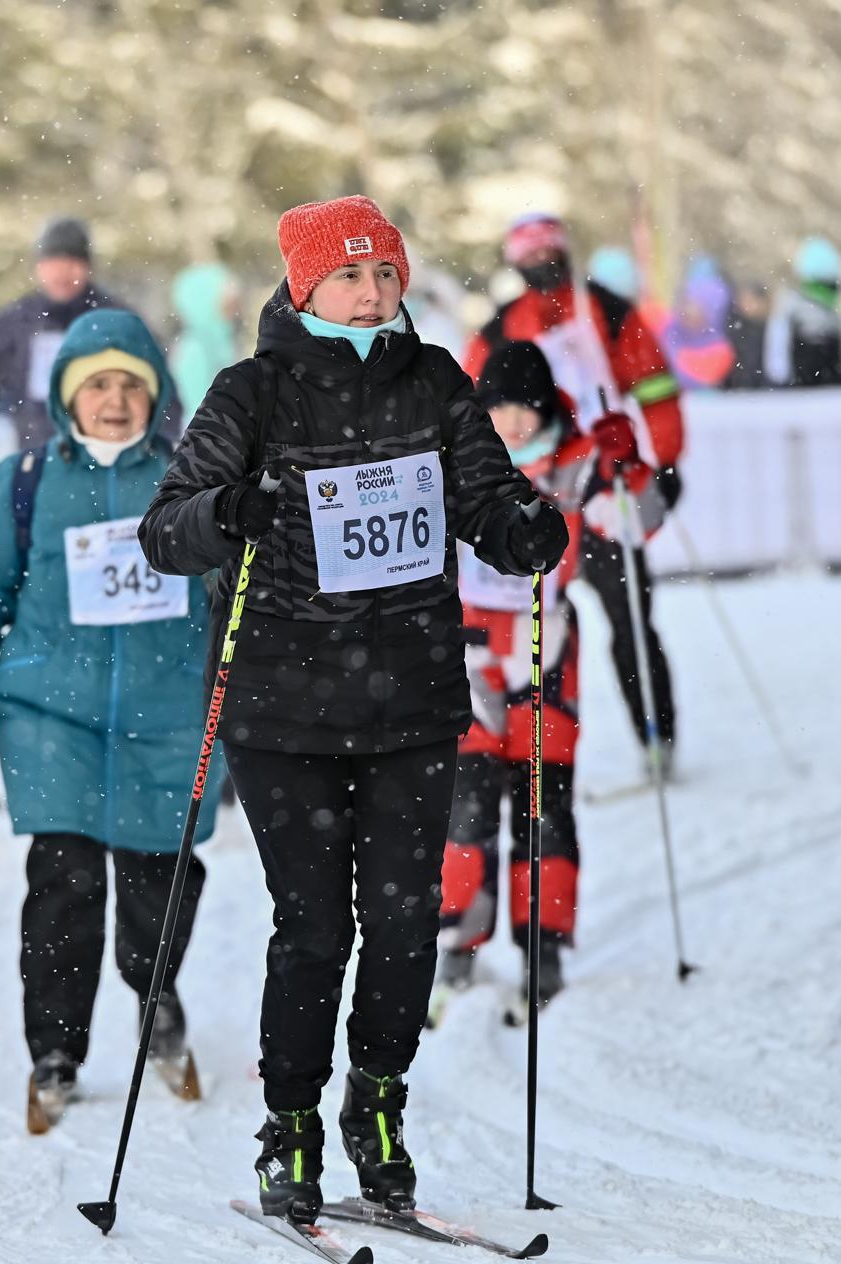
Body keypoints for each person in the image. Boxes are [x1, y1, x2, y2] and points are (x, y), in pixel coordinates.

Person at [140, 196, 568, 1224]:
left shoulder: (431, 379)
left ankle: (376, 1105)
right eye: (350, 275)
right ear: (303, 287)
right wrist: (226, 512)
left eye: (385, 273)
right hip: (281, 706)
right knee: (315, 925)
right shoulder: (252, 392)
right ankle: (289, 1122)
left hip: (411, 697)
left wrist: (520, 528)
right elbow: (166, 531)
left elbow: (482, 491)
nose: (373, 292)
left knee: (407, 919)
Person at [0, 308, 216, 1133]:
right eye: (98, 385)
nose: (116, 400)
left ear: (155, 393)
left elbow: (238, 595)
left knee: (161, 883)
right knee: (65, 877)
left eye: (132, 384)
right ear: (67, 397)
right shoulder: (24, 482)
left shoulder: (196, 479)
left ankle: (154, 992)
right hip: (51, 710)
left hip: (172, 714)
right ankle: (55, 1046)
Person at [466, 213, 682, 771]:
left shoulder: (605, 310)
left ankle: (656, 734)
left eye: (549, 256)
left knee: (629, 618)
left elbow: (654, 382)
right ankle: (525, 751)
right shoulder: (502, 327)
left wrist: (661, 459)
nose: (541, 269)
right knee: (532, 623)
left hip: (602, 474)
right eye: (529, 260)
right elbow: (469, 401)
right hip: (535, 491)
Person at [435, 342, 605, 1014]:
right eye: (499, 408)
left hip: (546, 647)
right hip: (472, 653)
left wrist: (630, 466)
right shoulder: (459, 461)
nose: (513, 423)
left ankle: (545, 940)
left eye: (525, 409)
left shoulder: (575, 463)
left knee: (543, 802)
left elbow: (637, 522)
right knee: (467, 806)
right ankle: (460, 937)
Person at [0, 216, 130, 448]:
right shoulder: (16, 323)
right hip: (37, 452)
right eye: (53, 264)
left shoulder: (116, 320)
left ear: (87, 268)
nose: (62, 274)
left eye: (71, 264)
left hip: (106, 454)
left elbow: (153, 385)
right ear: (38, 268)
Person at [765, 236, 841, 388]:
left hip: (818, 379)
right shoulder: (793, 304)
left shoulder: (796, 303)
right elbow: (779, 342)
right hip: (804, 380)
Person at [169, 262, 241, 412]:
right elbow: (194, 409)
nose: (234, 309)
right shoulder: (194, 348)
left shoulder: (222, 342)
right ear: (204, 303)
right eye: (226, 302)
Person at [663, 267, 736, 391]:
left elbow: (701, 380)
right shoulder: (664, 335)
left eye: (694, 304)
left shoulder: (721, 349)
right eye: (684, 302)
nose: (685, 310)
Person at [725, 282, 771, 389]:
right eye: (743, 301)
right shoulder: (735, 329)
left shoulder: (771, 327)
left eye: (751, 301)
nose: (746, 305)